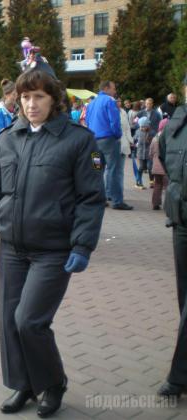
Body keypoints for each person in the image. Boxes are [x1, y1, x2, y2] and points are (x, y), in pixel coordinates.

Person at [0, 64, 105, 417]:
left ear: (54, 99)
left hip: (53, 250)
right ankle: (24, 384)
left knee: (30, 320)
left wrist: (82, 244)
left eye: (39, 97)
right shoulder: (7, 139)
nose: (31, 104)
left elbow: (90, 197)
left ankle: (54, 382)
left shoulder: (78, 140)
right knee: (10, 320)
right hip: (13, 248)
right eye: (26, 97)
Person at [157, 75, 187, 398]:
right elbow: (166, 158)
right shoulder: (177, 123)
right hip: (182, 222)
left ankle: (178, 376)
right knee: (184, 299)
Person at [86, 81, 132, 210]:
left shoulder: (92, 103)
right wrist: (117, 135)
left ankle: (99, 199)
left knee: (97, 170)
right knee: (114, 170)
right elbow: (114, 121)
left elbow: (88, 121)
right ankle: (117, 201)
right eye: (113, 88)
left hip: (94, 142)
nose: (115, 91)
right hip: (108, 141)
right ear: (106, 88)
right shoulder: (110, 101)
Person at [116, 98, 134, 199]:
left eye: (120, 101)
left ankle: (119, 193)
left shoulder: (123, 112)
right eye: (117, 101)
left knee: (120, 170)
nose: (119, 103)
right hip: (113, 144)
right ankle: (109, 192)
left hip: (123, 144)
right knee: (111, 170)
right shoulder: (110, 111)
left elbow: (127, 128)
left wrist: (131, 141)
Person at [149, 119, 168, 210]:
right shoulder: (169, 138)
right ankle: (168, 205)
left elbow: (151, 153)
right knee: (168, 187)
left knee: (157, 185)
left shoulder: (155, 138)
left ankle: (155, 204)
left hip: (156, 167)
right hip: (166, 167)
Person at [134, 117, 153, 189]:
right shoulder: (138, 131)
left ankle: (151, 181)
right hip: (140, 153)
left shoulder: (151, 132)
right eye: (141, 127)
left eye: (144, 127)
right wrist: (135, 143)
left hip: (149, 153)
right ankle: (138, 181)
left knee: (150, 167)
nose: (142, 128)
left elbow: (154, 141)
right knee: (141, 167)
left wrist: (150, 141)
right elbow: (134, 139)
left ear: (147, 126)